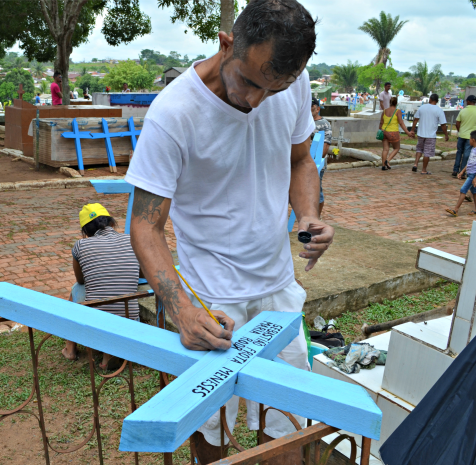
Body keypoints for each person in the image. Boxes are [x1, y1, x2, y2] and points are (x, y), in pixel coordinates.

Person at [124, 1, 334, 463]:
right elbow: (144, 224)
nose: (257, 101)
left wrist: (306, 215)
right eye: (250, 82)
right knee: (212, 436)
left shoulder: (291, 88)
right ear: (226, 43)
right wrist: (180, 309)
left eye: (274, 89)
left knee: (285, 432)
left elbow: (300, 160)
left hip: (278, 292)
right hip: (211, 300)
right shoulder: (174, 113)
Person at [61, 203, 142, 369]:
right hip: (131, 317)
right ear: (112, 223)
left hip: (96, 320)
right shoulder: (131, 239)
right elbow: (142, 274)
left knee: (76, 288)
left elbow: (81, 280)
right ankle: (111, 354)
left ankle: (70, 349)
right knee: (126, 290)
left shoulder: (80, 245)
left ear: (86, 232)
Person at [412, 94, 449, 175]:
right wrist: (446, 134)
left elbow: (415, 120)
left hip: (421, 133)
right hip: (431, 135)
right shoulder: (439, 110)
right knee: (427, 153)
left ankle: (415, 164)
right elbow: (443, 124)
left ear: (431, 99)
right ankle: (424, 170)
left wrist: (412, 130)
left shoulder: (422, 107)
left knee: (419, 149)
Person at [445, 130, 476, 217]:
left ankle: (456, 210)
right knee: (474, 192)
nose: (469, 140)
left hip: (473, 175)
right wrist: (462, 171)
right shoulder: (473, 150)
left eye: (470, 138)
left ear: (473, 139)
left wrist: (475, 178)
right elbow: (470, 163)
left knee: (463, 190)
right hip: (470, 173)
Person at [379, 96, 414, 171]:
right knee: (397, 148)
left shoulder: (384, 111)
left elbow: (381, 122)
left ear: (390, 102)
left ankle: (383, 166)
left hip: (384, 131)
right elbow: (401, 123)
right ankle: (387, 160)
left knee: (385, 149)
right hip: (393, 132)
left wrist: (380, 131)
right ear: (396, 103)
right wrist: (407, 132)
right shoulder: (397, 111)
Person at [311, 98, 332, 215]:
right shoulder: (303, 122)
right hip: (302, 162)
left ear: (317, 109)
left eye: (311, 106)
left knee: (316, 190)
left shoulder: (324, 124)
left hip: (316, 162)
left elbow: (326, 145)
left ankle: (317, 217)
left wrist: (316, 161)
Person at [453, 95, 476, 177]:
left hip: (462, 135)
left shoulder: (463, 111)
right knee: (466, 154)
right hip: (471, 137)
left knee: (459, 152)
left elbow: (457, 123)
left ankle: (455, 170)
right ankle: (462, 172)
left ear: (468, 101)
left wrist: (460, 131)